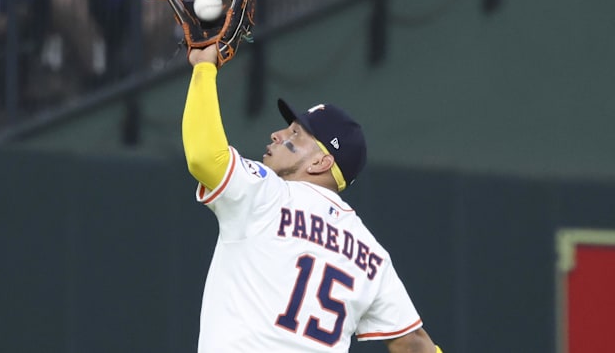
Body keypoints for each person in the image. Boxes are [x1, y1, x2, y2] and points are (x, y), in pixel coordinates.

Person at [181, 44, 445, 352]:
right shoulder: (372, 255)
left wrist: (203, 66)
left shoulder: (267, 194)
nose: (277, 135)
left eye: (295, 134)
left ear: (321, 163)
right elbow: (413, 343)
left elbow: (204, 158)